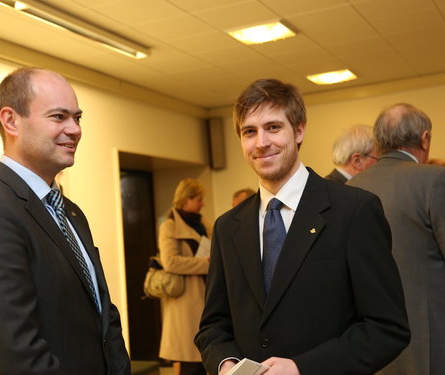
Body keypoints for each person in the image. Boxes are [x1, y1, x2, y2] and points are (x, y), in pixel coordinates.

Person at [194, 79, 410, 375]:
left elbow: (387, 328)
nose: (261, 143)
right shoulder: (227, 227)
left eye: (273, 127)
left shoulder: (354, 211)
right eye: (249, 132)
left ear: (299, 130)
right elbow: (213, 324)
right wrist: (226, 363)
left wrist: (301, 368)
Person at [0, 67, 131, 375]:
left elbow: (104, 318)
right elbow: (13, 355)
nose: (75, 129)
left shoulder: (70, 212)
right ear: (11, 120)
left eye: (77, 118)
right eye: (59, 117)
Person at [348, 103, 445, 375]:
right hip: (430, 340)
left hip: (369, 344)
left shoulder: (349, 189)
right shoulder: (434, 180)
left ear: (378, 142)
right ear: (424, 139)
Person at [158, 178, 212, 375]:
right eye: (199, 199)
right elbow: (170, 262)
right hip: (185, 304)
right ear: (186, 199)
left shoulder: (203, 223)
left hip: (205, 297)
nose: (202, 204)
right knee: (191, 363)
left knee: (205, 359)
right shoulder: (169, 225)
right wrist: (206, 264)